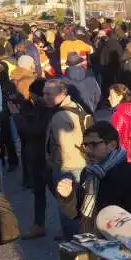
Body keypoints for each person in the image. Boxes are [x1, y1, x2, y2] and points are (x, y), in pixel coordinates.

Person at [56, 121, 131, 234]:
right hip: (89, 243)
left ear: (112, 145)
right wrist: (67, 197)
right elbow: (76, 214)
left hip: (117, 247)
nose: (87, 150)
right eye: (85, 145)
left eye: (93, 145)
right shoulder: (88, 173)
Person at [44, 79, 86, 239]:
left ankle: (73, 241)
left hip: (68, 166)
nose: (44, 97)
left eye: (49, 94)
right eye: (44, 93)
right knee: (79, 203)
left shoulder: (60, 116)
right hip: (79, 162)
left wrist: (55, 165)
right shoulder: (76, 106)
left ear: (62, 94)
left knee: (68, 206)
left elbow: (64, 148)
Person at [9, 80, 51, 240]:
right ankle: (39, 224)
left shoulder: (45, 110)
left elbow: (32, 132)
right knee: (39, 191)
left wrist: (18, 117)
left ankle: (70, 224)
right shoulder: (38, 108)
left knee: (55, 192)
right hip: (37, 155)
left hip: (43, 156)